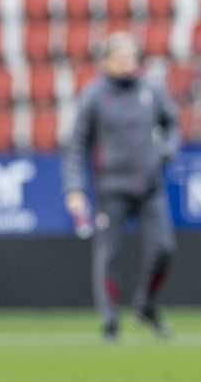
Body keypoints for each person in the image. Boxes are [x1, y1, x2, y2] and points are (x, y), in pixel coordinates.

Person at [62, 32, 180, 342]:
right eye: (122, 57)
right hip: (111, 187)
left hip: (150, 185)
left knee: (164, 249)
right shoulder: (94, 96)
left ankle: (146, 305)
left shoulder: (151, 91)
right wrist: (74, 188)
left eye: (132, 56)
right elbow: (77, 146)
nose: (129, 63)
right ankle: (110, 321)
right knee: (109, 256)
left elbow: (172, 125)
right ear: (107, 61)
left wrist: (166, 151)